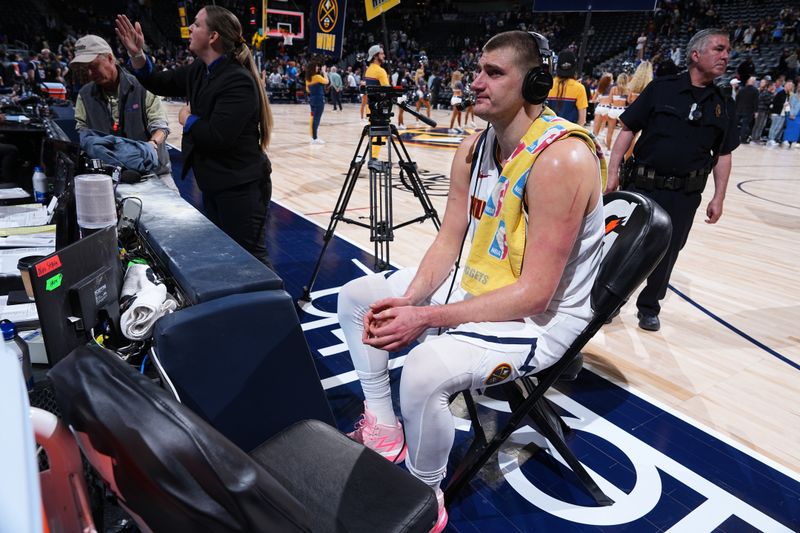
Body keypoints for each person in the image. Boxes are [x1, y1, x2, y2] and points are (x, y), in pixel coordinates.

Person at [337, 30, 605, 532]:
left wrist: (427, 318)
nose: (474, 82)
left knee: (423, 369)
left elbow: (537, 292)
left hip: (543, 318)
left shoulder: (562, 159)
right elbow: (448, 239)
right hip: (481, 285)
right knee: (358, 297)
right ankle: (384, 429)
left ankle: (421, 496)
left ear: (535, 83)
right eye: (478, 70)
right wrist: (410, 300)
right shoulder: (474, 146)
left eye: (493, 73)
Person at [115, 6, 275, 267]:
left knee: (250, 259)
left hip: (241, 186)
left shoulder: (238, 80)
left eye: (197, 24)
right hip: (215, 181)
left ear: (213, 36)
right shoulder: (200, 69)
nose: (190, 28)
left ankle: (274, 308)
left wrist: (187, 119)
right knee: (227, 253)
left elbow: (218, 137)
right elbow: (157, 81)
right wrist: (138, 55)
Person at [606, 28, 739, 331]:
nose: (725, 56)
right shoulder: (661, 89)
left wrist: (719, 196)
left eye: (727, 51)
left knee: (668, 252)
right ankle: (609, 300)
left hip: (685, 194)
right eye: (719, 49)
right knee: (627, 247)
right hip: (643, 185)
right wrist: (613, 173)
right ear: (696, 55)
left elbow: (723, 153)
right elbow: (628, 129)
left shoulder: (723, 103)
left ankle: (649, 306)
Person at [69, 35, 172, 184]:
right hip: (109, 176)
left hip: (154, 174)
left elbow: (160, 126)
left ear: (110, 58)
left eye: (93, 66)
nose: (90, 74)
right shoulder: (84, 95)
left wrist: (152, 144)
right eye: (86, 69)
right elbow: (83, 132)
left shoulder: (141, 85)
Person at [545, 50, 588, 126]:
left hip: (548, 131)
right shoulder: (579, 88)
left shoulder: (548, 84)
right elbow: (582, 120)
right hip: (569, 132)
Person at [360, 44, 389, 121]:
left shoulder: (368, 70)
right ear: (375, 56)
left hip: (371, 110)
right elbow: (387, 92)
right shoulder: (381, 71)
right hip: (380, 112)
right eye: (382, 53)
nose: (384, 55)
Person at [305, 58, 328, 144]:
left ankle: (313, 136)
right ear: (313, 68)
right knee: (317, 118)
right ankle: (315, 138)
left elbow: (308, 90)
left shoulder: (308, 79)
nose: (317, 68)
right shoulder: (317, 77)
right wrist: (324, 72)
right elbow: (327, 81)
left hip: (312, 99)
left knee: (313, 117)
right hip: (319, 99)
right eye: (316, 67)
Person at [735, 77, 758, 143]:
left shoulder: (741, 89)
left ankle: (731, 137)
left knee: (735, 124)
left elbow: (737, 100)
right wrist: (756, 111)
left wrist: (735, 109)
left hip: (739, 110)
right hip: (748, 111)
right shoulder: (755, 90)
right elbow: (755, 102)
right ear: (753, 82)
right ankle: (742, 139)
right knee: (744, 126)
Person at [781, 81, 800, 147]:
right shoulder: (793, 96)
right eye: (799, 87)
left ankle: (794, 141)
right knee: (789, 126)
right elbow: (791, 105)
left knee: (797, 127)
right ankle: (786, 140)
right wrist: (791, 114)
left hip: (799, 115)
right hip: (791, 114)